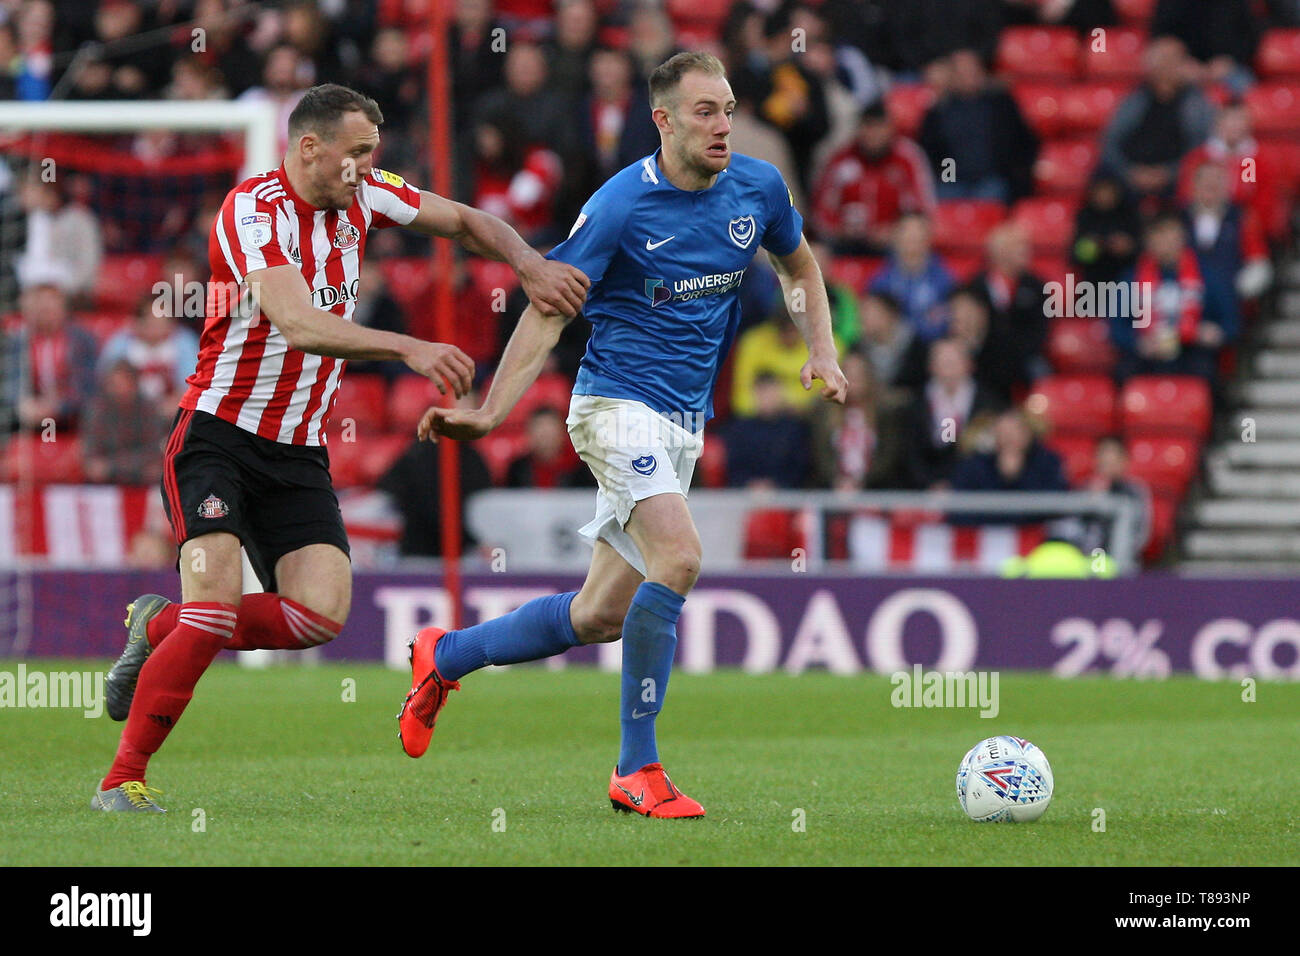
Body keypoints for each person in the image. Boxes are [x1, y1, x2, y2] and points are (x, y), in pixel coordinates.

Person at [92, 83, 588, 813]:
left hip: (297, 451)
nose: (364, 168)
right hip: (218, 437)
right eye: (353, 154)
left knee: (317, 615)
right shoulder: (252, 211)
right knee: (216, 608)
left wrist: (529, 263)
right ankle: (120, 780)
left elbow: (465, 220)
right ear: (308, 148)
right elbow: (299, 323)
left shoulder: (366, 193)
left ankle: (156, 623)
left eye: (371, 155)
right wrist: (409, 347)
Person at [398, 52, 847, 819]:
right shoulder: (618, 206)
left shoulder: (759, 187)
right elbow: (547, 307)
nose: (723, 126)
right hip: (613, 407)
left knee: (599, 615)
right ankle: (636, 769)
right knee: (680, 558)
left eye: (730, 109)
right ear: (663, 120)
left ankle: (445, 656)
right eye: (704, 111)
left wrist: (822, 349)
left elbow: (797, 264)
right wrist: (493, 411)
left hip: (681, 425)